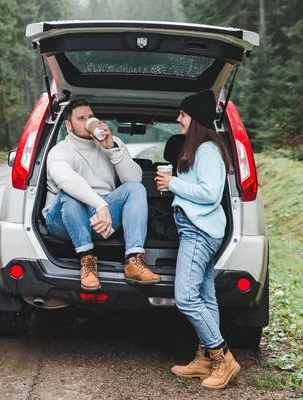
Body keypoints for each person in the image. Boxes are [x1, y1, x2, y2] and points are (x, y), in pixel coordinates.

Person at [155, 90, 240, 389]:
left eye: (183, 114)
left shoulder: (207, 151)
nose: (178, 119)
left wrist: (174, 183)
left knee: (187, 298)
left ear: (197, 119)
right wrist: (175, 186)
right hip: (195, 228)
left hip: (199, 231)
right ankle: (205, 359)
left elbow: (210, 193)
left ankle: (222, 357)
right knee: (204, 297)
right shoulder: (200, 149)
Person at [43, 98, 161, 291]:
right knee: (69, 194)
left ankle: (134, 260)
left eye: (90, 116)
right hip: (63, 222)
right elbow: (66, 179)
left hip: (102, 222)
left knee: (135, 189)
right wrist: (101, 205)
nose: (88, 121)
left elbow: (134, 179)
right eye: (81, 118)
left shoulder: (113, 143)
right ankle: (87, 261)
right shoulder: (60, 151)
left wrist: (111, 148)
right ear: (69, 126)